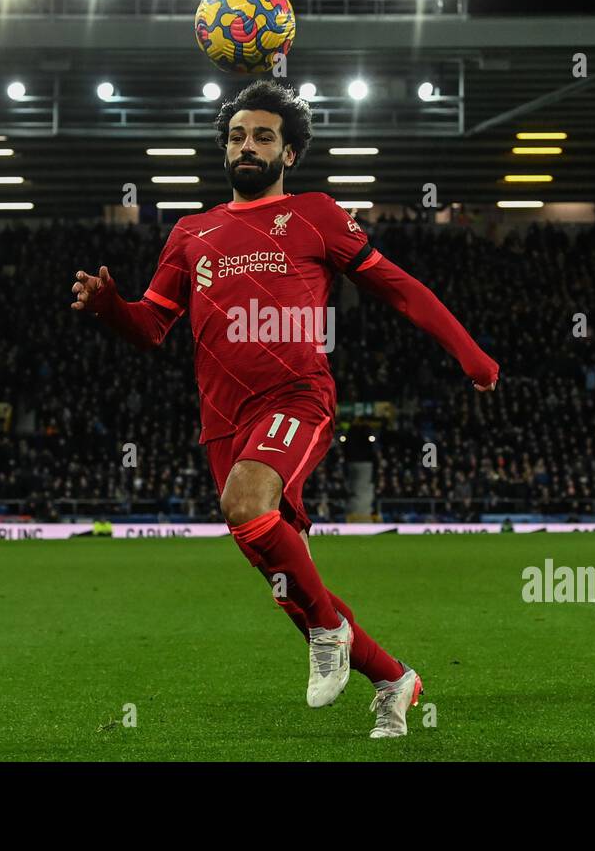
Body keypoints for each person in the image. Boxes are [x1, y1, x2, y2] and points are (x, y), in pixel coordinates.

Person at [73, 79, 499, 739]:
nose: (248, 145)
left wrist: (471, 354)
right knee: (289, 583)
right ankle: (393, 678)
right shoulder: (190, 232)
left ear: (289, 153)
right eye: (238, 135)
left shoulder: (316, 214)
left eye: (264, 136)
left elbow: (400, 288)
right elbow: (152, 327)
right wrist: (110, 308)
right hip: (222, 422)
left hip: (297, 396)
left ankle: (330, 632)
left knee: (248, 508)